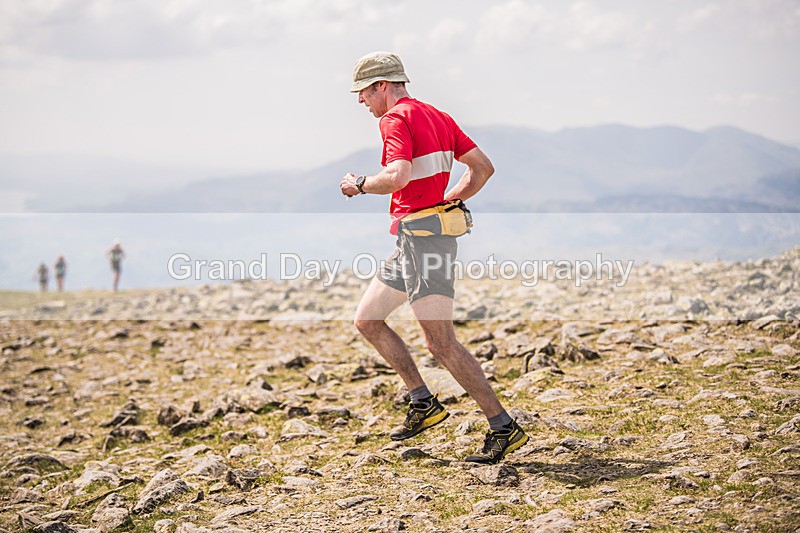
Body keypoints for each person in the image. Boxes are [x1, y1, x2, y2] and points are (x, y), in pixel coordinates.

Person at [340, 52, 528, 464]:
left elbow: (397, 177)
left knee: (441, 343)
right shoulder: (438, 116)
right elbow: (483, 167)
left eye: (363, 93)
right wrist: (451, 198)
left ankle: (502, 426)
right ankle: (422, 401)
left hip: (426, 244)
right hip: (414, 240)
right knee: (368, 319)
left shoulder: (395, 120)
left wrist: (358, 183)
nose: (361, 102)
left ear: (382, 87)